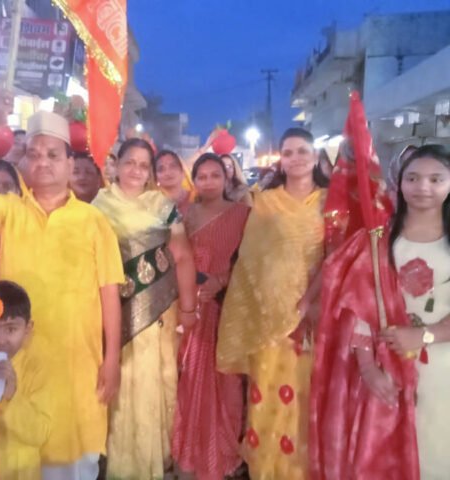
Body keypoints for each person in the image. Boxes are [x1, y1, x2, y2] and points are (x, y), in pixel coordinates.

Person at [0, 90, 124, 479]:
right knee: (18, 448)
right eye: (34, 154)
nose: (43, 162)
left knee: (73, 457)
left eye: (53, 154)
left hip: (76, 361)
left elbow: (109, 292)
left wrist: (112, 358)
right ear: (23, 163)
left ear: (70, 163)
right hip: (19, 355)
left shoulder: (93, 221)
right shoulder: (11, 211)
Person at [312, 144, 450, 479]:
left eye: (436, 179)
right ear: (399, 183)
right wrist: (368, 368)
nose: (423, 187)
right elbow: (359, 308)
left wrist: (424, 335)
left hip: (442, 371)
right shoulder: (378, 241)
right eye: (413, 178)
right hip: (385, 372)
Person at [216, 127, 328, 480]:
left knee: (308, 399)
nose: (295, 158)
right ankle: (265, 470)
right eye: (288, 152)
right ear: (281, 159)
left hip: (316, 316)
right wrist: (269, 307)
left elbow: (337, 257)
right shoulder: (265, 202)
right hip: (269, 320)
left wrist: (309, 304)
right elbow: (251, 261)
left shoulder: (332, 201)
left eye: (302, 151)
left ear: (316, 156)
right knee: (266, 397)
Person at [92, 138, 197, 479]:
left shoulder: (162, 205)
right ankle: (125, 465)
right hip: (115, 311)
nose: (136, 170)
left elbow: (182, 256)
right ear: (117, 165)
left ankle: (157, 461)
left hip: (160, 312)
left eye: (143, 165)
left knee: (157, 380)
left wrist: (188, 309)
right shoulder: (98, 206)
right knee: (124, 382)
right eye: (129, 162)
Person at [172, 153, 249, 480]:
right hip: (189, 307)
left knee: (227, 382)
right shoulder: (183, 214)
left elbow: (250, 260)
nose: (208, 182)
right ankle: (189, 450)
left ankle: (224, 454)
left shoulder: (243, 214)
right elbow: (174, 258)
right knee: (188, 380)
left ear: (226, 178)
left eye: (215, 175)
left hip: (227, 307)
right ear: (194, 180)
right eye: (201, 176)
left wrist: (222, 280)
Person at [0, 280, 50, 480]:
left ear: (27, 328)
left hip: (21, 473)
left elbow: (40, 433)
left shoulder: (36, 367)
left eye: (10, 329)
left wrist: (12, 395)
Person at [154, 149, 195, 215]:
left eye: (173, 166)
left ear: (182, 172)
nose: (168, 173)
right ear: (155, 177)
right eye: (161, 169)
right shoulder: (153, 205)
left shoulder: (197, 198)